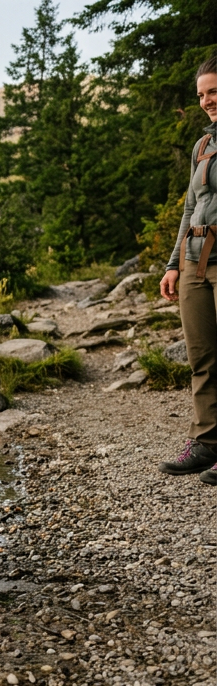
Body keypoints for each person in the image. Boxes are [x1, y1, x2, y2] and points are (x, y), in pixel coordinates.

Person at [159, 54, 217, 481]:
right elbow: (189, 208)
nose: (206, 101)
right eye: (201, 94)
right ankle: (207, 443)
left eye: (213, 91)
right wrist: (173, 264)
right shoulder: (202, 146)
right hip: (195, 261)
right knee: (202, 356)